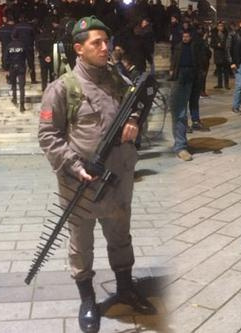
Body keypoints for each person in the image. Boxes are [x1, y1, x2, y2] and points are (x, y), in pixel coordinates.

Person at [38, 16, 157, 333]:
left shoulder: (116, 79)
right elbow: (48, 137)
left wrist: (134, 118)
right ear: (79, 48)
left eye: (108, 42)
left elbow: (134, 102)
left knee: (121, 236)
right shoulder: (62, 88)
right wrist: (75, 166)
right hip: (82, 184)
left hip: (119, 179)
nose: (106, 48)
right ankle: (88, 299)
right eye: (97, 43)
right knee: (81, 243)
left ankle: (125, 288)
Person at [170, 31, 202, 161]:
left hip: (193, 76)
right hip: (180, 77)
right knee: (180, 112)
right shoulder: (178, 46)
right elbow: (174, 59)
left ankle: (181, 144)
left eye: (187, 36)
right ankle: (180, 146)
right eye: (183, 36)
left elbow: (203, 57)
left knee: (186, 109)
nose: (185, 38)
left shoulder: (196, 46)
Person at [6, 30, 26, 112]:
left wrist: (6, 68)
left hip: (12, 67)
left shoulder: (9, 46)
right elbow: (26, 56)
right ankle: (22, 105)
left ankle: (14, 98)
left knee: (14, 84)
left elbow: (6, 58)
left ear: (12, 36)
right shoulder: (22, 45)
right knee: (22, 87)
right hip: (21, 66)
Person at [36, 23, 55, 91]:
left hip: (42, 58)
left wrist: (44, 57)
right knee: (52, 74)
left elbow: (38, 48)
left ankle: (44, 88)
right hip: (51, 58)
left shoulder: (39, 37)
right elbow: (54, 47)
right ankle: (52, 88)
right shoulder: (53, 36)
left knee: (44, 74)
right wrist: (50, 56)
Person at [210, 20, 229, 89]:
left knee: (226, 70)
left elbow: (229, 43)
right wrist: (217, 45)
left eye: (222, 26)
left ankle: (226, 84)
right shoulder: (214, 34)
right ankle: (220, 84)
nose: (221, 27)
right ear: (217, 27)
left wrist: (223, 45)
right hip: (218, 53)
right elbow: (211, 44)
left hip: (225, 53)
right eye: (220, 26)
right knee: (219, 70)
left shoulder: (226, 34)